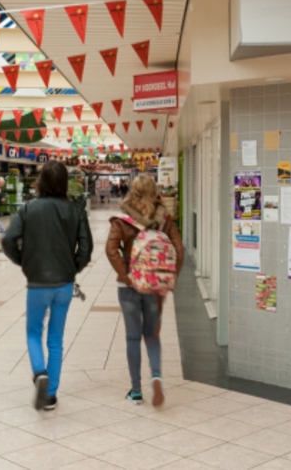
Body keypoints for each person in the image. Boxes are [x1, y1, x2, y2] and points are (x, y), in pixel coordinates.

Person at [2, 161, 93, 411]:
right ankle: (51, 394)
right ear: (65, 183)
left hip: (37, 284)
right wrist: (72, 268)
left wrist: (24, 262)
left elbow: (8, 240)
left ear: (40, 182)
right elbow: (86, 249)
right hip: (64, 284)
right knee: (56, 338)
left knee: (33, 332)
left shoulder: (28, 209)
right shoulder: (76, 211)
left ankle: (39, 372)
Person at [106, 174, 183, 407]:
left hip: (129, 285)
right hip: (154, 285)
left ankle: (136, 391)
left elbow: (111, 250)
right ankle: (156, 376)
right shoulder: (164, 219)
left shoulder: (122, 220)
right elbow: (179, 249)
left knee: (132, 336)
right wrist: (169, 278)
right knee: (151, 334)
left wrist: (127, 276)